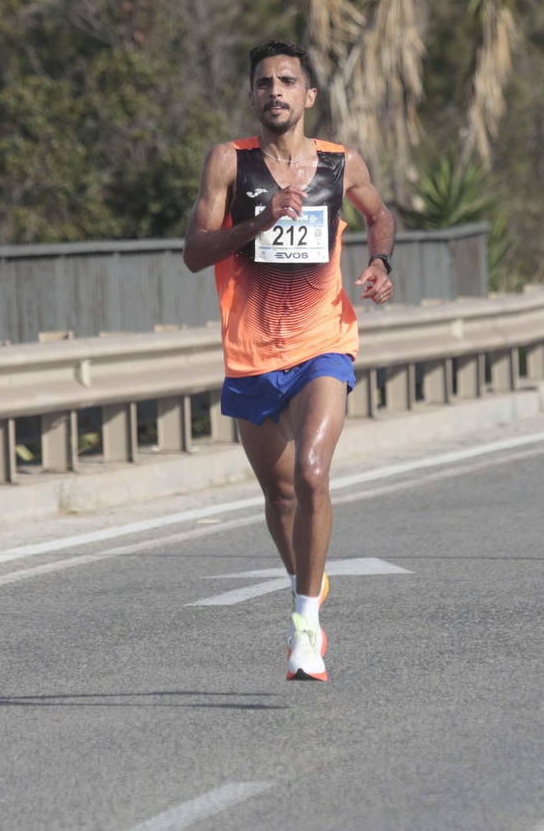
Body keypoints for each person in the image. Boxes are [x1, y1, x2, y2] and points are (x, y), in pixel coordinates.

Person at [182, 40, 395, 681]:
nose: (275, 90)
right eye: (264, 82)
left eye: (287, 81)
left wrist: (381, 261)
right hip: (250, 355)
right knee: (279, 499)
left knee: (310, 473)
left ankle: (306, 627)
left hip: (322, 344)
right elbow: (195, 252)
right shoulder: (228, 163)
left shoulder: (340, 164)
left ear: (308, 97)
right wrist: (259, 222)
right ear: (253, 97)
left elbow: (379, 216)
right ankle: (309, 583)